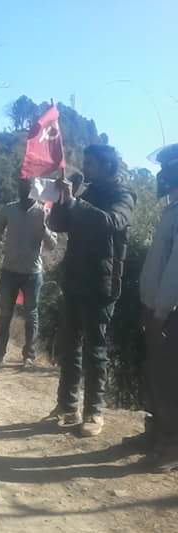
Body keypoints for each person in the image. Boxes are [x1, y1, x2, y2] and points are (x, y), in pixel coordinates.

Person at [48, 145, 136, 436]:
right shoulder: (86, 193)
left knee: (95, 350)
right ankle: (67, 405)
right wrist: (63, 199)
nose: (86, 167)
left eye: (91, 163)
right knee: (69, 346)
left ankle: (94, 412)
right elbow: (56, 224)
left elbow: (110, 222)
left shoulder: (123, 195)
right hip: (75, 279)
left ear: (108, 166)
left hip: (101, 283)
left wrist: (76, 203)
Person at [0, 179, 57, 369]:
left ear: (34, 190)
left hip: (32, 273)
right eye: (20, 186)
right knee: (5, 314)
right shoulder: (9, 209)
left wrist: (44, 229)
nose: (23, 190)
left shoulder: (43, 212)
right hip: (9, 270)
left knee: (31, 314)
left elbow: (52, 245)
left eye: (27, 187)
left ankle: (28, 357)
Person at [139, 143, 178, 470]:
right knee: (159, 375)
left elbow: (175, 270)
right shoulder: (172, 209)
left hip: (170, 314)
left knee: (169, 379)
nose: (161, 175)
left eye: (167, 169)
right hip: (160, 310)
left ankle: (172, 445)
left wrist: (161, 312)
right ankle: (158, 434)